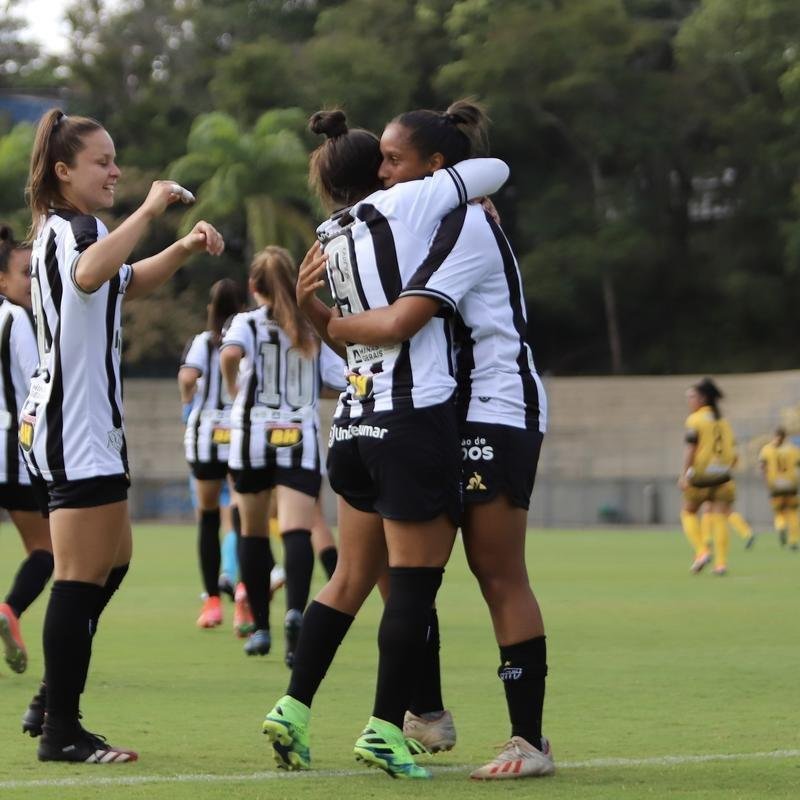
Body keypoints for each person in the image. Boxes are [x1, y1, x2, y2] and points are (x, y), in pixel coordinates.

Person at [261, 109, 510, 780]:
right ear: (381, 167)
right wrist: (430, 172)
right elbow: (493, 171)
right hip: (411, 417)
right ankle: (383, 727)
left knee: (345, 579)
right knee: (412, 587)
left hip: (351, 423)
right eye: (391, 159)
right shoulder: (409, 202)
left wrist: (321, 314)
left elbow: (340, 330)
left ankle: (292, 708)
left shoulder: (327, 233)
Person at [320, 101, 553, 779]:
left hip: (496, 406)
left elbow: (401, 321)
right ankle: (426, 711)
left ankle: (529, 742)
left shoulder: (469, 222)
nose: (380, 170)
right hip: (449, 411)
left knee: (494, 568)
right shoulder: (424, 221)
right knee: (409, 570)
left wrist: (324, 323)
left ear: (436, 168)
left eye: (393, 159)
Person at [19, 108, 224, 764]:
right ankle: (62, 728)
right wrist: (151, 208)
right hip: (72, 425)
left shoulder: (80, 232)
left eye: (115, 160)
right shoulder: (75, 231)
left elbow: (123, 282)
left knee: (112, 561)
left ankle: (57, 696)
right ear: (63, 172)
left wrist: (184, 248)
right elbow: (90, 273)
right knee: (79, 575)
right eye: (101, 162)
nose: (115, 171)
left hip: (88, 426)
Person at [220, 246, 325, 666]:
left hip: (253, 437)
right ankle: (296, 614)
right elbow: (335, 378)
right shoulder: (309, 325)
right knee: (297, 532)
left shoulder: (246, 322)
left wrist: (233, 389)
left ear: (253, 286)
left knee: (254, 532)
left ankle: (260, 627)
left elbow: (229, 355)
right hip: (300, 437)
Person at [178, 278, 251, 632]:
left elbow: (188, 378)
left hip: (206, 435)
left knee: (208, 518)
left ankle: (211, 603)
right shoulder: (249, 336)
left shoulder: (202, 342)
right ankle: (243, 592)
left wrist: (188, 399)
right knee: (241, 515)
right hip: (239, 433)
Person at [0, 225, 53, 675]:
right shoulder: (15, 319)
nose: (32, 282)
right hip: (12, 451)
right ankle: (10, 609)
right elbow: (39, 384)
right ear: (2, 280)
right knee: (46, 549)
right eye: (25, 274)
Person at [678, 378, 738, 575]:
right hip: (722, 473)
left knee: (688, 512)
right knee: (720, 517)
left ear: (703, 398)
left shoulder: (695, 420)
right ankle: (721, 564)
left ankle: (702, 551)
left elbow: (691, 449)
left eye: (692, 396)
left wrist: (685, 474)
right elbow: (733, 450)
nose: (689, 400)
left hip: (702, 474)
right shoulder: (723, 421)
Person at [758, 427, 800, 550]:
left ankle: (781, 527)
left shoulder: (767, 449)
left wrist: (766, 481)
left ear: (774, 436)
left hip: (775, 485)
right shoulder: (793, 449)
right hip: (791, 485)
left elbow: (762, 467)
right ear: (785, 436)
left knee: (778, 512)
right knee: (792, 513)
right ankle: (793, 541)